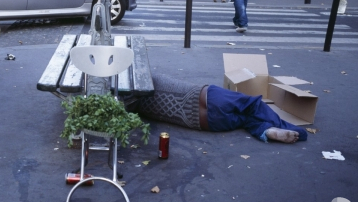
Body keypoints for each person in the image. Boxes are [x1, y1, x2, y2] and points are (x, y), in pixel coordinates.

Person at [130, 74, 307, 144]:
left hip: (205, 123)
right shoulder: (142, 77)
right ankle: (287, 128)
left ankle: (266, 131)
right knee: (253, 104)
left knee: (246, 119)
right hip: (209, 98)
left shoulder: (133, 104)